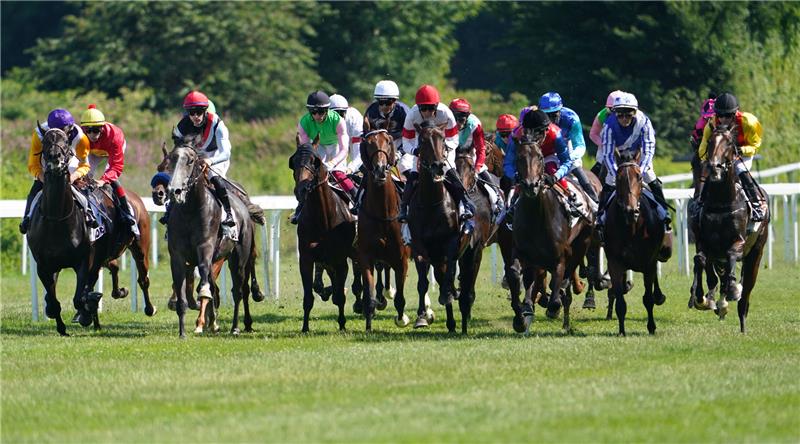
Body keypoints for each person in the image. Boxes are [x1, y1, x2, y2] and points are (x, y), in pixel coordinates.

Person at [398, 84, 475, 222]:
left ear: (437, 106)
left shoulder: (446, 113)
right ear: (418, 107)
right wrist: (415, 151)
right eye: (423, 108)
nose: (427, 112)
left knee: (449, 170)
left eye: (431, 108)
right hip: (422, 145)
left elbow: (453, 139)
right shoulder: (412, 116)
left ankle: (465, 204)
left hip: (443, 145)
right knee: (414, 174)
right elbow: (406, 142)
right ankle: (403, 209)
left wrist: (443, 150)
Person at [597, 92, 671, 231]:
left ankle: (664, 213)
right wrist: (615, 174)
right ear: (615, 113)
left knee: (651, 178)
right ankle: (600, 217)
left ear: (635, 112)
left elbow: (648, 150)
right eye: (620, 115)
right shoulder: (608, 125)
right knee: (609, 181)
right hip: (617, 155)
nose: (624, 118)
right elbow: (607, 155)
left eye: (628, 114)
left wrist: (640, 172)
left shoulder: (644, 122)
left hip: (639, 155)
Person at [20, 109, 92, 234]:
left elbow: (85, 165)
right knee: (36, 189)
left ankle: (89, 214)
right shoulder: (38, 134)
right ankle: (27, 217)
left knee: (83, 188)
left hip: (70, 164)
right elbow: (33, 164)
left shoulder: (80, 138)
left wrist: (73, 177)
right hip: (46, 165)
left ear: (69, 129)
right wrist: (43, 178)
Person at [172, 90, 236, 228]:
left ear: (205, 111)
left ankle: (228, 213)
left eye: (199, 112)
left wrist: (210, 161)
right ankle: (169, 213)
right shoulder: (182, 126)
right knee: (177, 177)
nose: (195, 116)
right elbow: (178, 149)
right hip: (196, 156)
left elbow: (226, 153)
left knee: (213, 175)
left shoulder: (218, 125)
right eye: (191, 112)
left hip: (217, 156)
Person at [696, 92, 765, 221]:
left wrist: (741, 150)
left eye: (728, 116)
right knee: (712, 170)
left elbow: (755, 146)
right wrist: (707, 160)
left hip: (742, 154)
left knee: (739, 169)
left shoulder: (749, 122)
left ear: (735, 113)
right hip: (721, 155)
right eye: (720, 115)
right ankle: (700, 203)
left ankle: (756, 205)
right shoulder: (711, 124)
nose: (723, 119)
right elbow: (703, 146)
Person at [291, 90, 357, 224]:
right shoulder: (304, 122)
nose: (317, 116)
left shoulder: (337, 120)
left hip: (335, 147)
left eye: (321, 112)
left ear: (327, 110)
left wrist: (332, 163)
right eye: (313, 112)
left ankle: (357, 199)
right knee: (307, 176)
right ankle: (301, 206)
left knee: (337, 173)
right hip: (317, 147)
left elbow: (344, 149)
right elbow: (305, 150)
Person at [79, 104, 138, 231]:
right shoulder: (80, 135)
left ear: (102, 127)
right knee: (83, 176)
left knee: (110, 179)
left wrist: (103, 180)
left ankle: (126, 212)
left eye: (96, 130)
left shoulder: (115, 136)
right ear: (83, 129)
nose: (92, 134)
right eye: (88, 130)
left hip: (111, 148)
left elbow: (116, 167)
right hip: (93, 151)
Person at [539, 92, 599, 203]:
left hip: (567, 149)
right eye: (547, 115)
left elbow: (580, 146)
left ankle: (595, 204)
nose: (550, 120)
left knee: (576, 169)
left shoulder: (571, 118)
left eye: (554, 115)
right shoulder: (536, 118)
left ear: (560, 110)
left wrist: (568, 159)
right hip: (546, 150)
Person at [449, 98, 503, 212]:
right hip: (449, 154)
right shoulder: (445, 121)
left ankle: (497, 200)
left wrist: (478, 167)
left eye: (462, 118)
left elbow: (481, 149)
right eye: (456, 117)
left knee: (483, 170)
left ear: (468, 116)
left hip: (469, 154)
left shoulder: (475, 124)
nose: (459, 122)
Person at [362, 80, 410, 151]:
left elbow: (410, 137)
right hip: (379, 146)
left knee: (405, 162)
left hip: (401, 143)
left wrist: (400, 153)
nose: (384, 106)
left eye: (388, 102)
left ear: (394, 101)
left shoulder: (403, 111)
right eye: (381, 102)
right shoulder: (370, 111)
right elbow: (366, 137)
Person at [589, 90, 625, 176]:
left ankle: (654, 187)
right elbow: (593, 134)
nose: (614, 113)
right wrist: (605, 144)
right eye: (611, 109)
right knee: (599, 165)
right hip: (607, 144)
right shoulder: (602, 115)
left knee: (647, 175)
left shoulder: (634, 115)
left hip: (629, 146)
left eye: (617, 110)